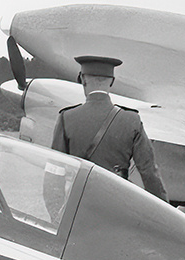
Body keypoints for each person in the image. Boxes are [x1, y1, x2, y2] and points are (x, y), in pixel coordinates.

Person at [51, 55, 168, 202]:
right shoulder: (131, 119)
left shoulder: (66, 117)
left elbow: (54, 175)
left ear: (82, 79)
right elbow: (149, 173)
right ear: (112, 82)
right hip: (118, 204)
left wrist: (56, 213)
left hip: (79, 205)